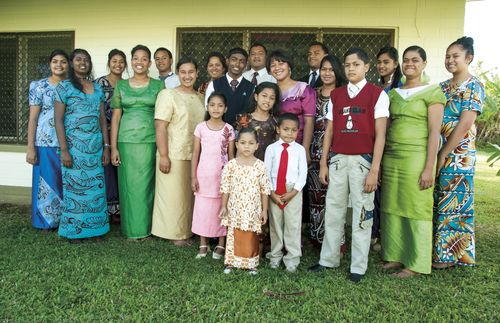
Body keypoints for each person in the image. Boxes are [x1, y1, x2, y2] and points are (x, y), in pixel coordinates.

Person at [308, 48, 389, 283]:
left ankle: (358, 266)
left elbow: (381, 135)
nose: (351, 68)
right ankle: (328, 259)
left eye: (356, 64)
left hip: (363, 161)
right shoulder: (337, 95)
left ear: (366, 67)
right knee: (333, 211)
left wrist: (375, 169)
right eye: (347, 64)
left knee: (363, 213)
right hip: (338, 159)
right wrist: (324, 162)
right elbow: (330, 130)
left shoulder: (377, 94)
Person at [380, 46, 445, 278]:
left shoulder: (433, 92)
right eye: (406, 60)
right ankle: (395, 255)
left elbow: (435, 132)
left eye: (415, 60)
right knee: (392, 204)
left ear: (424, 63)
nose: (410, 64)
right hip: (392, 157)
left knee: (416, 206)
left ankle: (416, 262)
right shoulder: (393, 94)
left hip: (417, 157)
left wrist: (430, 167)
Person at [433, 36, 484, 269]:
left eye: (455, 56)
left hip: (459, 155)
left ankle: (451, 256)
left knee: (455, 205)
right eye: (447, 56)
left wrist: (444, 152)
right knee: (440, 201)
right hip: (439, 151)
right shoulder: (442, 87)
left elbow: (465, 123)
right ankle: (438, 250)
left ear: (469, 58)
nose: (450, 60)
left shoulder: (474, 86)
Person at [54, 48, 110, 243]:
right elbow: (58, 121)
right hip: (74, 148)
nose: (82, 62)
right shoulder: (64, 87)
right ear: (71, 63)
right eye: (78, 59)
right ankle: (75, 231)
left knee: (95, 190)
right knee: (75, 190)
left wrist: (106, 146)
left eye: (86, 59)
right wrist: (64, 150)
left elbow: (102, 120)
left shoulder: (97, 88)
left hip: (94, 148)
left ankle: (96, 229)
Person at [110, 45, 164, 240]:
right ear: (131, 61)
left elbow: (163, 117)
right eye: (135, 58)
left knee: (147, 185)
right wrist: (114, 147)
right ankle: (131, 229)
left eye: (143, 59)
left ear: (149, 63)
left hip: (150, 140)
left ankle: (148, 228)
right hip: (125, 141)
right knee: (128, 186)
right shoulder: (121, 86)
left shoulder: (158, 85)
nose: (139, 62)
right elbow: (115, 117)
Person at [152, 57, 206, 246]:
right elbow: (160, 126)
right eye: (183, 72)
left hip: (194, 155)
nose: (187, 76)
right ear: (178, 74)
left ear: (197, 73)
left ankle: (186, 231)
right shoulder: (168, 94)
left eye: (191, 72)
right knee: (173, 197)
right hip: (173, 153)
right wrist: (164, 155)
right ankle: (174, 233)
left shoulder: (201, 97)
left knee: (188, 197)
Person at [26, 49, 69, 231]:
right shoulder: (39, 86)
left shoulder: (72, 86)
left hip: (68, 142)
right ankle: (45, 221)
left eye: (63, 61)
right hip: (45, 142)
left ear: (68, 64)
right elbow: (33, 119)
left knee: (63, 181)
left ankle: (64, 220)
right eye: (55, 61)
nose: (59, 65)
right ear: (49, 64)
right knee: (46, 182)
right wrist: (30, 148)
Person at [219, 127, 272, 275]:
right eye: (243, 142)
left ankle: (251, 263)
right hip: (235, 207)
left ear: (257, 145)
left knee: (250, 235)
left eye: (250, 143)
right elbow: (225, 187)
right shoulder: (231, 165)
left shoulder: (260, 166)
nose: (246, 146)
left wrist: (264, 210)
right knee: (234, 233)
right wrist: (223, 206)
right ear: (236, 145)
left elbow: (265, 190)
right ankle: (231, 262)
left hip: (252, 208)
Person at [308, 54, 347, 245]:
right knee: (316, 196)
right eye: (323, 69)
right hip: (314, 150)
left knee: (335, 199)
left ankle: (335, 241)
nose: (327, 73)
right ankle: (317, 237)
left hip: (338, 152)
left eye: (331, 69)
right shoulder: (312, 93)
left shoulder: (344, 94)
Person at [191, 92, 235, 259]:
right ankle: (203, 242)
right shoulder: (200, 127)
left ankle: (221, 243)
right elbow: (195, 153)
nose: (216, 108)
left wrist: (231, 178)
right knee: (203, 208)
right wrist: (193, 177)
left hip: (222, 176)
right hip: (204, 175)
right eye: (212, 105)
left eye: (220, 105)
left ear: (225, 109)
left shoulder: (228, 129)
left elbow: (231, 157)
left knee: (221, 208)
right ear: (207, 107)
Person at [265, 113, 308, 273]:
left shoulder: (300, 150)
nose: (289, 133)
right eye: (286, 129)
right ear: (278, 129)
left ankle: (292, 259)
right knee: (275, 225)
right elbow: (266, 172)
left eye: (294, 130)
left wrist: (294, 192)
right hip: (275, 190)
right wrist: (271, 193)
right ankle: (275, 256)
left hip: (293, 191)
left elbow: (302, 173)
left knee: (293, 224)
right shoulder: (271, 149)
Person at [371, 46, 404, 250]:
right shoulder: (379, 87)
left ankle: (387, 236)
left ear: (395, 63)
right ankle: (376, 233)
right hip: (377, 142)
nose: (382, 66)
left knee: (389, 191)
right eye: (379, 62)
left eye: (386, 62)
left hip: (393, 144)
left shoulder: (399, 87)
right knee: (377, 190)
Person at [95, 49, 127, 223]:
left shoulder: (128, 84)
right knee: (107, 171)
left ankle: (121, 208)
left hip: (123, 133)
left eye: (121, 61)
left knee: (120, 168)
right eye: (114, 61)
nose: (118, 65)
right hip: (104, 133)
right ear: (109, 62)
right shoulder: (98, 83)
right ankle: (108, 210)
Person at [267, 50, 315, 161]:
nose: (277, 68)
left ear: (289, 66)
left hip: (296, 145)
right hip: (274, 147)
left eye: (281, 63)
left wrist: (305, 149)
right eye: (273, 65)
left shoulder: (303, 89)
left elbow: (309, 122)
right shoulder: (270, 91)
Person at [204, 47, 255, 127]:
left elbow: (252, 112)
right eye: (234, 60)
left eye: (242, 61)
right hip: (218, 131)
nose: (237, 64)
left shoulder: (251, 87)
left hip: (242, 134)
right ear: (227, 61)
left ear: (245, 65)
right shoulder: (214, 84)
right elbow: (208, 109)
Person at [235, 81, 280, 161]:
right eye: (264, 96)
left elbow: (278, 146)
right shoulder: (244, 118)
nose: (267, 100)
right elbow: (239, 146)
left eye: (272, 98)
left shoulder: (276, 121)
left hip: (268, 165)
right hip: (246, 165)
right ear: (256, 97)